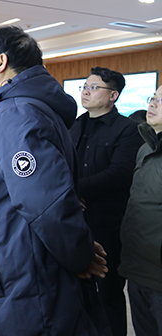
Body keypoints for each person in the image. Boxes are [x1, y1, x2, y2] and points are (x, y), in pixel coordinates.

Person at [0, 26, 108, 335]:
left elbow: (47, 203)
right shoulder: (16, 110)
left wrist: (79, 253)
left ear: (0, 61)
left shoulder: (15, 113)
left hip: (13, 278)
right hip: (10, 265)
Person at [70, 67, 143, 336]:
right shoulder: (74, 125)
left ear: (113, 96)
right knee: (75, 290)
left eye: (94, 87)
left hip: (108, 223)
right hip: (74, 220)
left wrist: (74, 190)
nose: (86, 92)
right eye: (84, 87)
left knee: (108, 293)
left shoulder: (128, 130)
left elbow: (118, 174)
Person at [119, 87, 162, 336]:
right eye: (153, 98)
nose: (153, 104)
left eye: (161, 100)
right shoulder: (145, 148)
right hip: (137, 266)